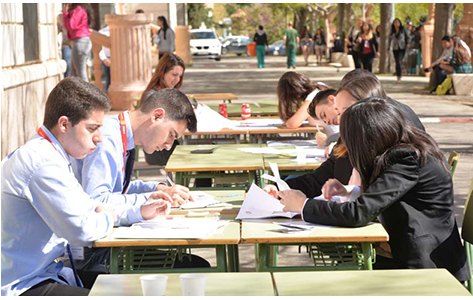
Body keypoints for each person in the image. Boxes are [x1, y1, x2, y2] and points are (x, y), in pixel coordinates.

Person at [1, 77, 172, 296]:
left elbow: (88, 207)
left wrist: (137, 211)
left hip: (46, 272)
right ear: (64, 124)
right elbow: (82, 229)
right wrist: (108, 217)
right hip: (24, 285)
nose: (99, 138)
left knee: (133, 287)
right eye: (92, 129)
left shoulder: (52, 155)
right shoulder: (42, 162)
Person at [278, 98, 471, 283]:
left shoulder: (407, 158)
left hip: (425, 263)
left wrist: (303, 205)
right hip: (406, 250)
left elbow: (359, 213)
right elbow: (381, 199)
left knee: (343, 274)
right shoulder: (404, 149)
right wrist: (349, 192)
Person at [71, 88, 211, 271]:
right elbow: (98, 200)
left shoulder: (121, 135)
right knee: (195, 267)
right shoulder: (107, 140)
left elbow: (120, 189)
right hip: (92, 253)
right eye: (171, 134)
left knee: (189, 263)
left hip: (106, 240)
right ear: (157, 116)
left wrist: (160, 189)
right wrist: (150, 199)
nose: (169, 145)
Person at [264, 69, 425, 199]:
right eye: (339, 112)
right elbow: (325, 174)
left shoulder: (395, 140)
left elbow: (365, 207)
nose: (340, 120)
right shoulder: (357, 128)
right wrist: (281, 189)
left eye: (344, 111)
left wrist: (305, 208)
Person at [140, 53, 185, 166]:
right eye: (174, 74)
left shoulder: (170, 92)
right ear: (162, 72)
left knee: (207, 155)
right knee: (202, 159)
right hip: (158, 150)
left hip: (169, 146)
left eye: (180, 76)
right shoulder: (152, 95)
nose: (177, 80)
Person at [276, 71, 337, 147]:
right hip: (333, 140)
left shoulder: (312, 97)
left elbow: (292, 124)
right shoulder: (320, 87)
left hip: (334, 141)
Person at [62, 3, 94, 82]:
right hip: (80, 42)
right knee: (74, 74)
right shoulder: (80, 9)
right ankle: (76, 93)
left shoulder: (78, 9)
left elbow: (71, 25)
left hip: (80, 42)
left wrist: (65, 14)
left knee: (80, 73)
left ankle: (87, 94)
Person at [389, 18, 409, 84]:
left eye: (397, 22)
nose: (396, 24)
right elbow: (390, 39)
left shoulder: (403, 30)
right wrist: (389, 47)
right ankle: (398, 75)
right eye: (395, 22)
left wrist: (407, 43)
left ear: (400, 23)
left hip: (402, 47)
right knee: (397, 61)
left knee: (399, 61)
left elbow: (407, 37)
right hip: (395, 48)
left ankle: (399, 76)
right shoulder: (392, 31)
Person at [57, 14, 72, 78]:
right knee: (67, 65)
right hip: (66, 45)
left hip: (75, 43)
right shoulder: (62, 17)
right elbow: (57, 30)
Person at [98, 26, 111, 93]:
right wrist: (104, 59)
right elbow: (99, 49)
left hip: (119, 58)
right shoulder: (102, 32)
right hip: (108, 58)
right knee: (108, 80)